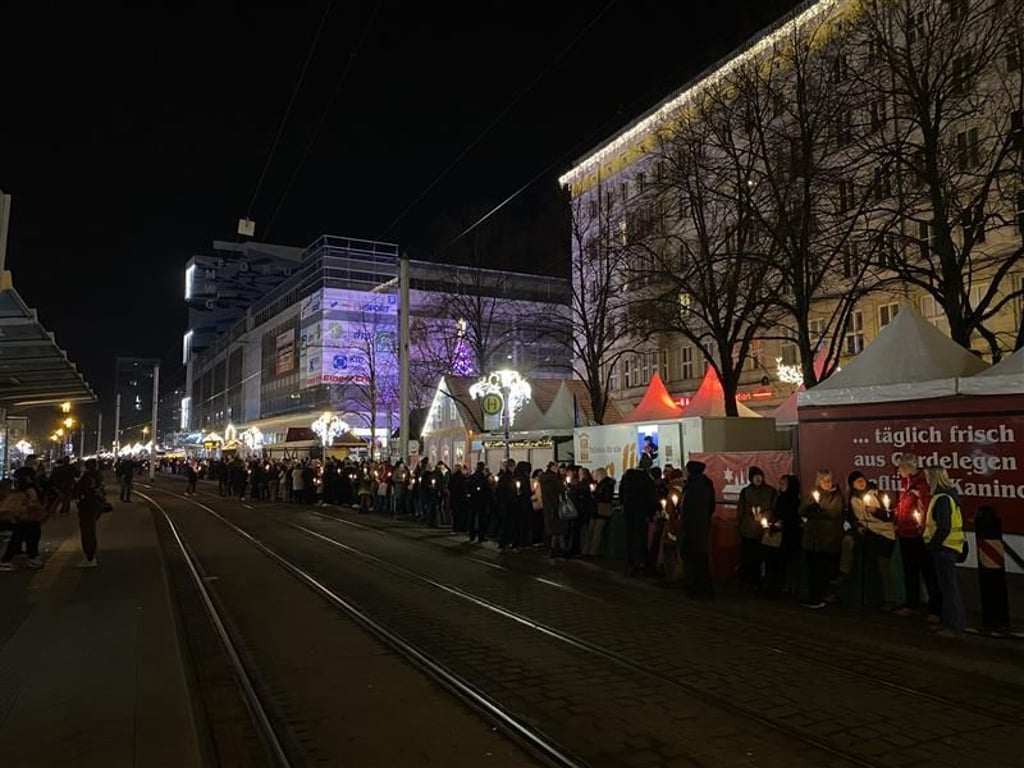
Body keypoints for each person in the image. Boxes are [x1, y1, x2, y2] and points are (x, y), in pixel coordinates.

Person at [893, 453, 942, 622]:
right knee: (910, 571)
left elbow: (925, 507)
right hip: (904, 533)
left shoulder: (921, 485)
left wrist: (921, 526)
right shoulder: (904, 483)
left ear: (908, 467)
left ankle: (935, 609)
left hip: (918, 535)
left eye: (900, 467)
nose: (898, 470)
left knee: (928, 571)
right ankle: (911, 604)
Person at [840, 471, 897, 610]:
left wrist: (876, 511)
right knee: (870, 567)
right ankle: (871, 598)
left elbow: (890, 515)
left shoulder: (878, 493)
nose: (861, 482)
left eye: (862, 479)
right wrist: (858, 526)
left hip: (884, 534)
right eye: (857, 481)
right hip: (869, 535)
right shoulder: (853, 499)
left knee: (883, 567)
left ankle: (890, 599)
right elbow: (853, 518)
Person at [923, 467, 967, 636]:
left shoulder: (941, 499)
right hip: (949, 548)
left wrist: (932, 545)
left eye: (928, 477)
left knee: (949, 588)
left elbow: (944, 527)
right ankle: (949, 622)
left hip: (944, 549)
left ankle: (953, 626)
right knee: (948, 587)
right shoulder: (948, 497)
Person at [800, 470, 845, 609]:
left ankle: (820, 597)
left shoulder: (836, 495)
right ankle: (814, 596)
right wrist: (811, 509)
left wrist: (818, 512)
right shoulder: (813, 493)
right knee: (813, 570)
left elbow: (834, 513)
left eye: (829, 480)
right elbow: (802, 510)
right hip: (812, 539)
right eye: (823, 480)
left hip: (828, 539)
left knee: (824, 570)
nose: (827, 483)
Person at [736, 466, 778, 589]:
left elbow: (774, 509)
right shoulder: (745, 492)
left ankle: (761, 581)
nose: (758, 478)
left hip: (764, 530)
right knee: (749, 557)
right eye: (755, 476)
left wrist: (765, 517)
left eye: (760, 476)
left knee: (762, 558)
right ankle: (749, 580)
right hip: (748, 530)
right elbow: (740, 510)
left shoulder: (770, 491)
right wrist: (739, 527)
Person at [680, 460, 715, 598]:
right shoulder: (702, 485)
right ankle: (701, 587)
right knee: (699, 558)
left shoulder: (696, 487)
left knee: (697, 559)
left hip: (695, 528)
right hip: (699, 527)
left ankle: (700, 588)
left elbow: (692, 510)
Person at [620, 464, 656, 576]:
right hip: (642, 512)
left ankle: (631, 562)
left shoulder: (626, 479)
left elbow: (622, 496)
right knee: (642, 538)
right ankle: (642, 561)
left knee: (630, 538)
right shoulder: (647, 480)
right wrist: (651, 513)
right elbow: (651, 498)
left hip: (629, 512)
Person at [72, 458, 107, 567]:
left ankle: (90, 557)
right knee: (90, 530)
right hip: (95, 505)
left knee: (87, 531)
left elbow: (78, 491)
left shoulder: (87, 477)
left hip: (86, 506)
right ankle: (91, 555)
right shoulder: (98, 476)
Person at [583, 468, 615, 557]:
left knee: (596, 532)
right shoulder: (601, 483)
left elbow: (605, 497)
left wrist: (594, 493)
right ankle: (588, 550)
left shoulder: (605, 484)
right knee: (591, 531)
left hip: (601, 511)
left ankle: (592, 551)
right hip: (596, 510)